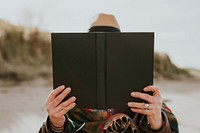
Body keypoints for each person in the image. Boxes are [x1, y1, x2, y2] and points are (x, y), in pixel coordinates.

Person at [39, 13, 179, 133]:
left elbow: (169, 126)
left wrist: (158, 123)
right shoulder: (70, 95)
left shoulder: (145, 96)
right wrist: (55, 124)